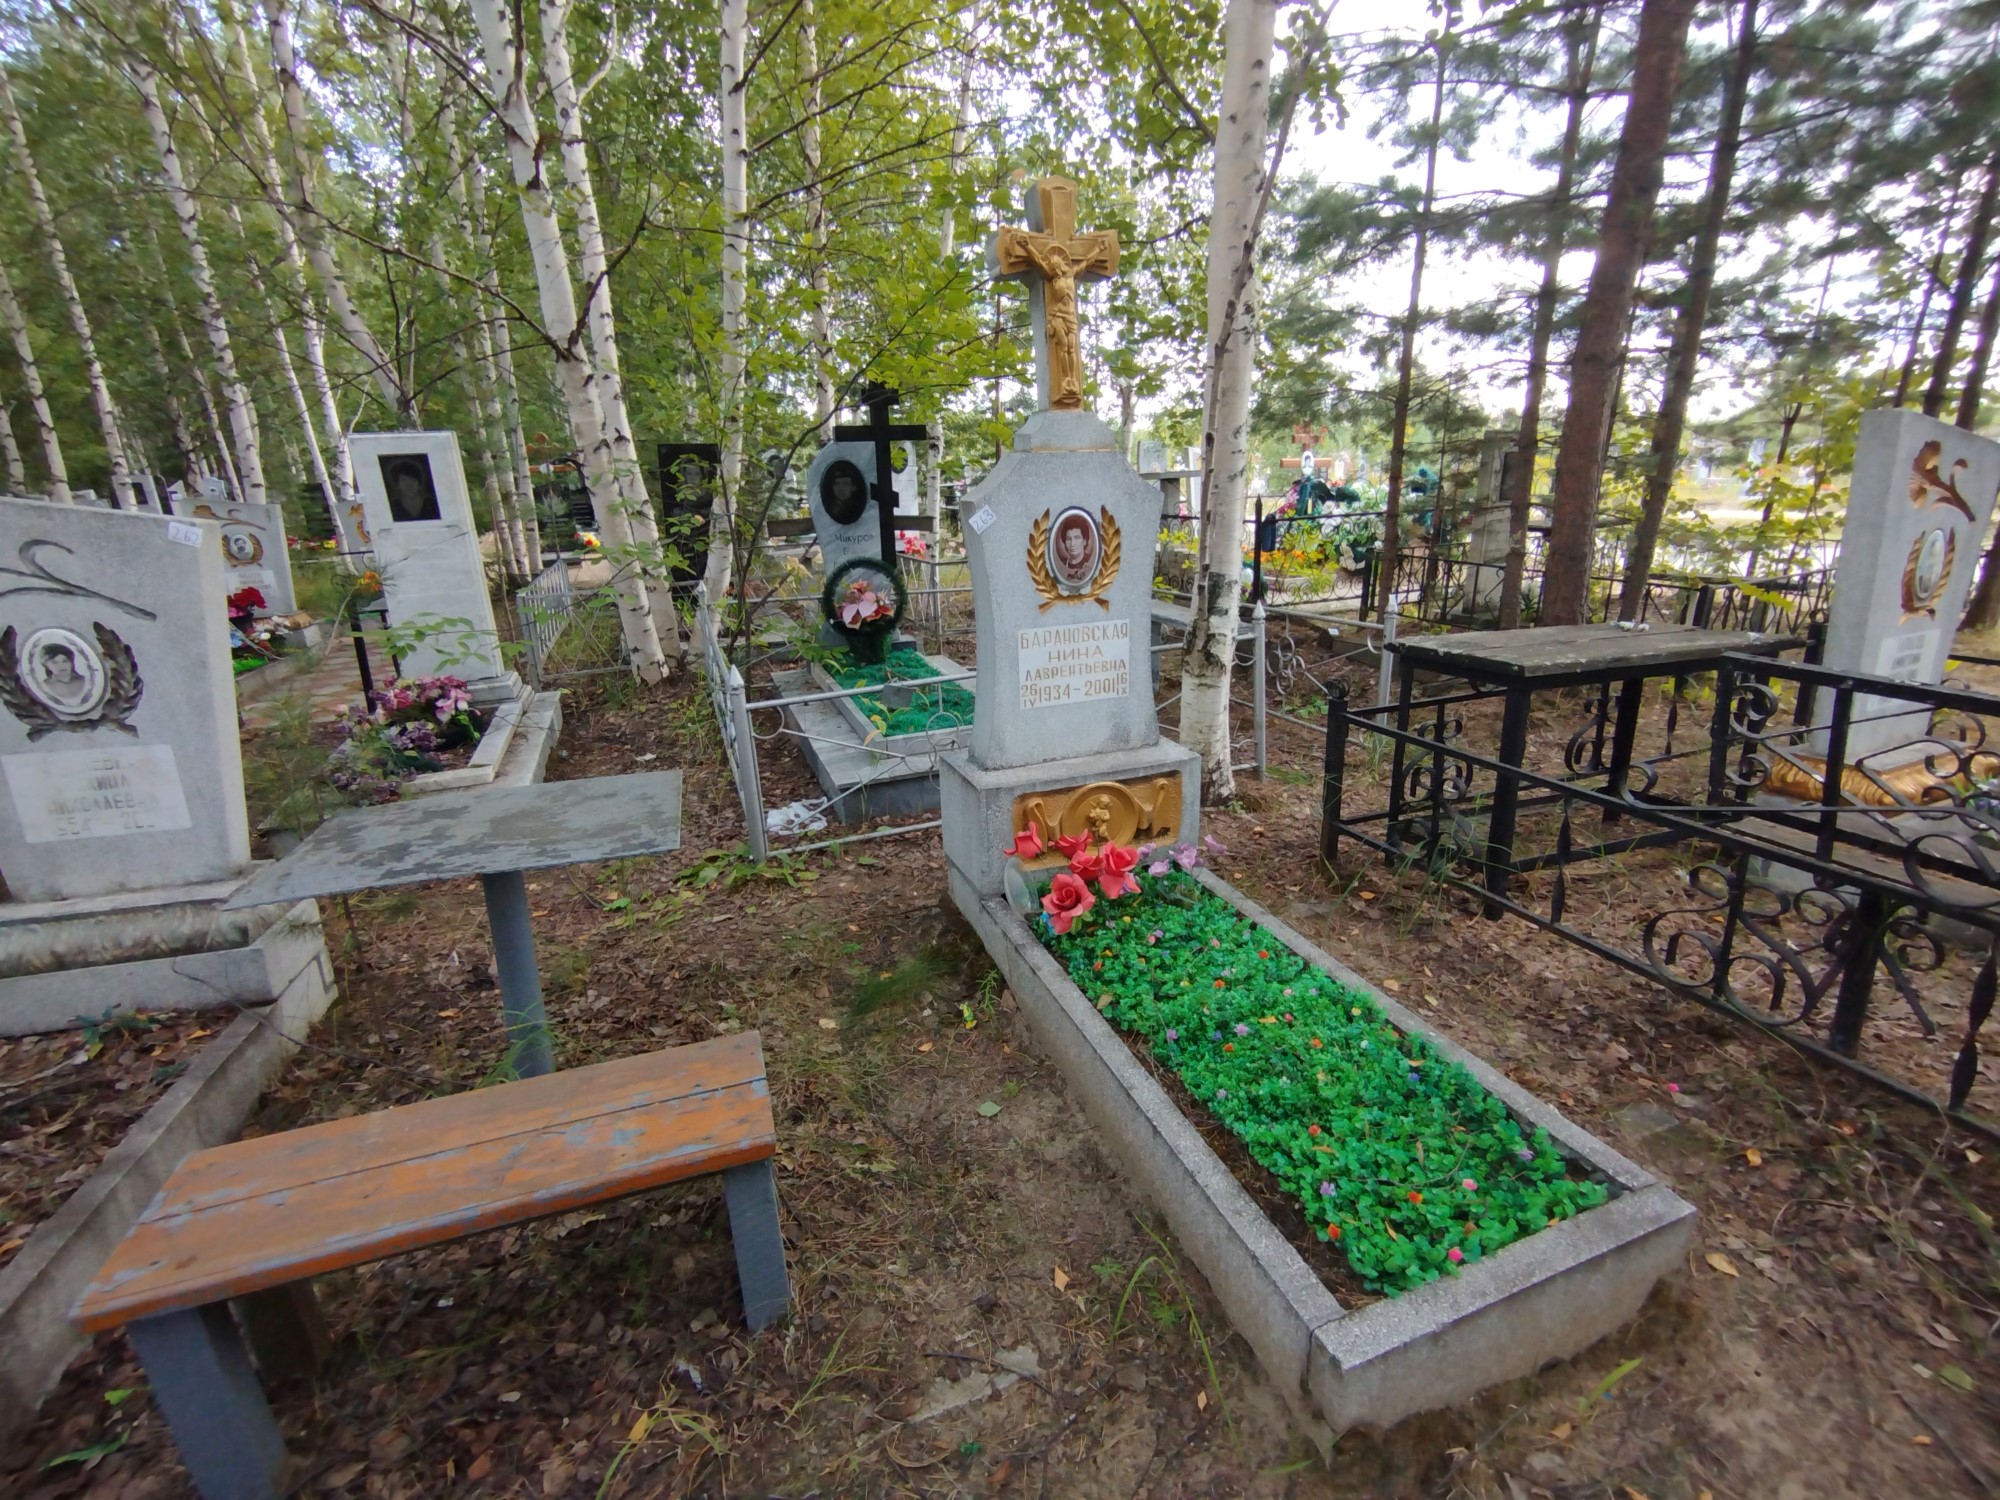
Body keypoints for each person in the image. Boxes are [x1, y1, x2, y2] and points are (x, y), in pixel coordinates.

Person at [33, 640, 96, 713]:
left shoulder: (85, 682)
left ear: (71, 663)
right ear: (46, 665)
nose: (61, 665)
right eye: (55, 662)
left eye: (65, 661)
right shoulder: (44, 686)